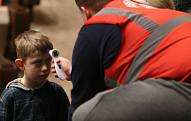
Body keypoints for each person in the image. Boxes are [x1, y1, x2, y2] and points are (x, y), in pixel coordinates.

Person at [52, 0, 191, 121]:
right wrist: (75, 72)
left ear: (85, 12)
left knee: (84, 114)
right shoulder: (141, 10)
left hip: (182, 85)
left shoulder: (93, 27)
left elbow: (81, 103)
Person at [0, 30, 70, 121]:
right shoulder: (10, 96)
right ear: (20, 64)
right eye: (37, 63)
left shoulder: (57, 92)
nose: (45, 68)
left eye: (48, 61)